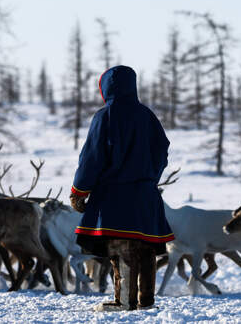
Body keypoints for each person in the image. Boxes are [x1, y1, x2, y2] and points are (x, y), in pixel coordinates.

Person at [69, 65, 174, 311]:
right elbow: (162, 150)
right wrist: (150, 178)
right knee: (144, 247)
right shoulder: (147, 116)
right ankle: (145, 300)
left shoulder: (105, 116)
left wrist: (79, 190)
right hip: (146, 196)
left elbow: (91, 158)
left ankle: (125, 301)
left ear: (106, 88)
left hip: (115, 197)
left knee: (122, 246)